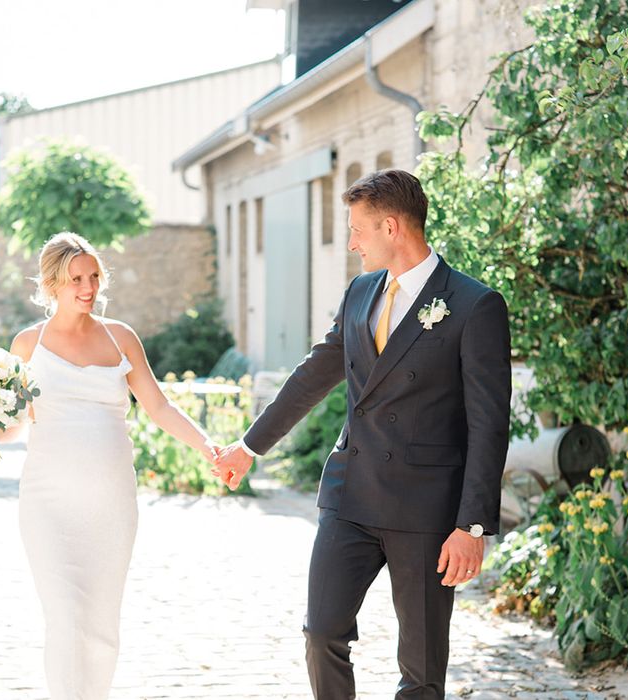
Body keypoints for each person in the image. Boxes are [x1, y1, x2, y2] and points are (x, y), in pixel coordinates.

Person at [215, 169, 511, 699]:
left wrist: (472, 524)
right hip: (351, 495)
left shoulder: (473, 304)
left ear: (392, 227)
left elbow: (489, 423)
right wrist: (249, 445)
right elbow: (314, 373)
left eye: (357, 230)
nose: (351, 243)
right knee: (322, 631)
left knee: (421, 671)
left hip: (426, 510)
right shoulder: (359, 291)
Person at [0, 232, 220, 700]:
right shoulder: (27, 345)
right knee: (65, 619)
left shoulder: (120, 337)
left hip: (110, 504)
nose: (87, 287)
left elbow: (159, 408)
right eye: (74, 279)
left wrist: (210, 448)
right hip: (48, 504)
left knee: (101, 630)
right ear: (50, 285)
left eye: (93, 276)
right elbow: (16, 422)